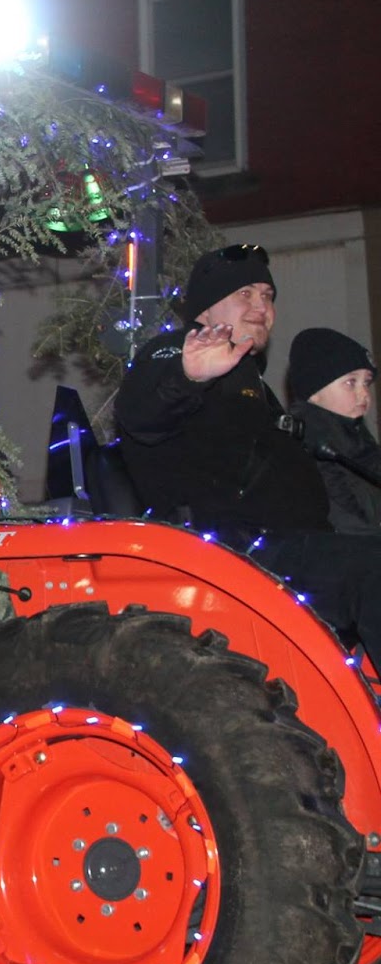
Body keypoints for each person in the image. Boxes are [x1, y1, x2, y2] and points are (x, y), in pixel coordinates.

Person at [114, 243, 381, 658]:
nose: (261, 306)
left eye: (267, 296)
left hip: (285, 553)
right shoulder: (174, 353)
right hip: (235, 555)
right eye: (245, 294)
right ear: (205, 310)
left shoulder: (252, 384)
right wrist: (185, 376)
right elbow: (141, 413)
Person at [287, 326, 381, 533]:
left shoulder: (357, 437)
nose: (363, 394)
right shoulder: (314, 445)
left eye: (366, 383)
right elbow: (344, 521)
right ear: (314, 392)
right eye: (350, 382)